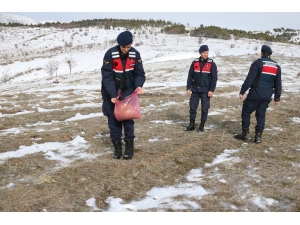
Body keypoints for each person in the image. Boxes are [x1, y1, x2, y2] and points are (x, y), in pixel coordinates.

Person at [101, 30, 146, 159]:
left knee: (128, 120)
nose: (126, 49)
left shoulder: (135, 54)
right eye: (123, 47)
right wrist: (112, 95)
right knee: (113, 121)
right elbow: (107, 77)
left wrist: (138, 85)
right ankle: (117, 148)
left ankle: (129, 147)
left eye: (128, 47)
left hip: (128, 92)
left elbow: (140, 73)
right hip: (111, 93)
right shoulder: (110, 55)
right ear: (119, 45)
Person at [234, 45, 282, 143]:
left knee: (246, 111)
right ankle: (258, 137)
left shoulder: (258, 63)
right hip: (267, 95)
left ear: (262, 53)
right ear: (270, 54)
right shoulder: (276, 66)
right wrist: (277, 98)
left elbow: (250, 79)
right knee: (261, 115)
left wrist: (242, 91)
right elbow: (278, 83)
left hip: (256, 93)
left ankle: (245, 134)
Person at [185, 45, 218, 132]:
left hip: (206, 90)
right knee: (192, 107)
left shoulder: (212, 64)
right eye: (204, 52)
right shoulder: (195, 62)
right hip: (195, 89)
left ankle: (201, 126)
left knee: (204, 108)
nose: (205, 54)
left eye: (207, 52)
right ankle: (192, 124)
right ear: (200, 53)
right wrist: (188, 88)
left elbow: (214, 78)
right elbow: (190, 76)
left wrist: (211, 90)